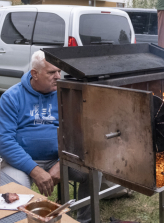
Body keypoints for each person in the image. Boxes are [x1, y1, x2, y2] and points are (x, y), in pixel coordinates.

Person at [0, 50, 98, 223]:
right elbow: (4, 141)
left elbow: (78, 133)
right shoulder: (11, 97)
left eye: (59, 71)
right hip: (21, 163)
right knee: (14, 192)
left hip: (59, 159)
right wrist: (34, 170)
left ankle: (86, 220)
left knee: (94, 170)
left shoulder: (66, 95)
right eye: (52, 72)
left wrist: (63, 163)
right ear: (35, 74)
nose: (58, 76)